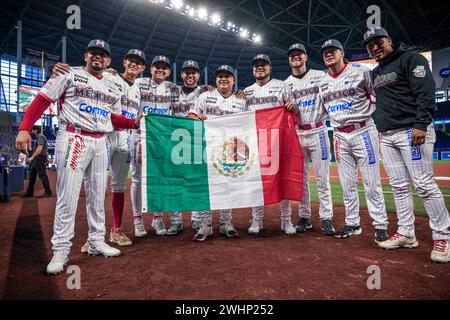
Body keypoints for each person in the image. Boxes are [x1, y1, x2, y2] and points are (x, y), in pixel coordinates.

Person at [15, 39, 142, 275]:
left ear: (108, 61)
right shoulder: (68, 74)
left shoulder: (113, 85)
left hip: (100, 140)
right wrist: (24, 128)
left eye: (102, 54)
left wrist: (132, 123)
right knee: (68, 195)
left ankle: (96, 241)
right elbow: (43, 99)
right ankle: (61, 250)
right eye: (93, 52)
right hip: (74, 137)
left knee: (97, 194)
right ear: (85, 55)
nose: (98, 57)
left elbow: (113, 119)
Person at [362, 27, 450, 263]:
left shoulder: (411, 59)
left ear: (389, 40)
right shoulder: (375, 72)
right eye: (370, 45)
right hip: (387, 135)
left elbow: (426, 91)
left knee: (424, 185)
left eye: (378, 41)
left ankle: (443, 236)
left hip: (412, 130)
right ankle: (407, 233)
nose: (374, 47)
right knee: (399, 186)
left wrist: (421, 123)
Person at [51, 48, 146, 249]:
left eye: (138, 62)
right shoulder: (110, 78)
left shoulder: (138, 88)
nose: (134, 64)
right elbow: (92, 80)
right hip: (103, 135)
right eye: (131, 60)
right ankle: (90, 238)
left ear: (142, 67)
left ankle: (115, 231)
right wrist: (58, 69)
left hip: (124, 138)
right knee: (94, 187)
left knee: (118, 186)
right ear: (124, 62)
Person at [318, 39, 389, 243]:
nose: (328, 54)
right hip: (339, 134)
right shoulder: (322, 82)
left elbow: (378, 96)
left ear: (342, 52)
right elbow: (323, 109)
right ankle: (352, 223)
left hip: (363, 130)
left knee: (371, 182)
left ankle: (381, 225)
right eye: (325, 52)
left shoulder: (362, 71)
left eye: (332, 51)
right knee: (347, 183)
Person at [188, 65, 247, 241]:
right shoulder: (205, 96)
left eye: (227, 76)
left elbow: (247, 123)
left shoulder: (241, 100)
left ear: (233, 80)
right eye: (220, 76)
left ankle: (226, 223)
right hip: (208, 146)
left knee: (227, 186)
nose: (223, 79)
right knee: (206, 187)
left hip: (230, 149)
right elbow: (191, 114)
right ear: (216, 80)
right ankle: (205, 225)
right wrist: (198, 118)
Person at [284, 43, 335, 236]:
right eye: (292, 55)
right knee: (302, 179)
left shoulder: (319, 76)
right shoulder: (286, 83)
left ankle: (326, 217)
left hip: (318, 131)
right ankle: (304, 217)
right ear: (289, 59)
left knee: (323, 178)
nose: (296, 57)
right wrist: (293, 109)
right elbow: (288, 111)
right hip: (298, 133)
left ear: (305, 57)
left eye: (299, 54)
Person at [243, 54, 297, 236]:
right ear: (253, 69)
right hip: (255, 141)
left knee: (282, 179)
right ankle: (257, 220)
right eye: (256, 65)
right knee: (256, 182)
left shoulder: (282, 86)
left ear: (270, 68)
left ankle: (286, 220)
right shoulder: (246, 92)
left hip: (278, 139)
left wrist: (292, 106)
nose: (259, 68)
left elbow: (294, 109)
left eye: (263, 65)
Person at [131, 55, 180, 237]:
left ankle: (157, 217)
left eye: (164, 68)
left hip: (160, 139)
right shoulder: (139, 83)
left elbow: (192, 91)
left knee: (158, 178)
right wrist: (110, 72)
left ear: (168, 71)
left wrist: (206, 88)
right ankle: (137, 219)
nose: (160, 70)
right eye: (157, 67)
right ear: (150, 69)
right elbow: (122, 82)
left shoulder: (172, 88)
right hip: (139, 136)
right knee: (137, 178)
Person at [170, 60, 213, 234]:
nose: (190, 75)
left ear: (198, 75)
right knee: (176, 182)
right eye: (187, 72)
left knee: (196, 181)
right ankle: (175, 220)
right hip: (174, 141)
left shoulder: (205, 92)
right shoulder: (172, 91)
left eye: (193, 72)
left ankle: (196, 219)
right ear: (182, 74)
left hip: (196, 141)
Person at [21, 126, 52, 198]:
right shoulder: (39, 138)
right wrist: (48, 157)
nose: (31, 132)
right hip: (37, 159)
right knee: (32, 175)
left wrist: (32, 157)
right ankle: (30, 192)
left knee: (42, 175)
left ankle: (48, 192)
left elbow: (40, 148)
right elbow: (45, 149)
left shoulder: (40, 137)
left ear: (35, 130)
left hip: (39, 158)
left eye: (31, 131)